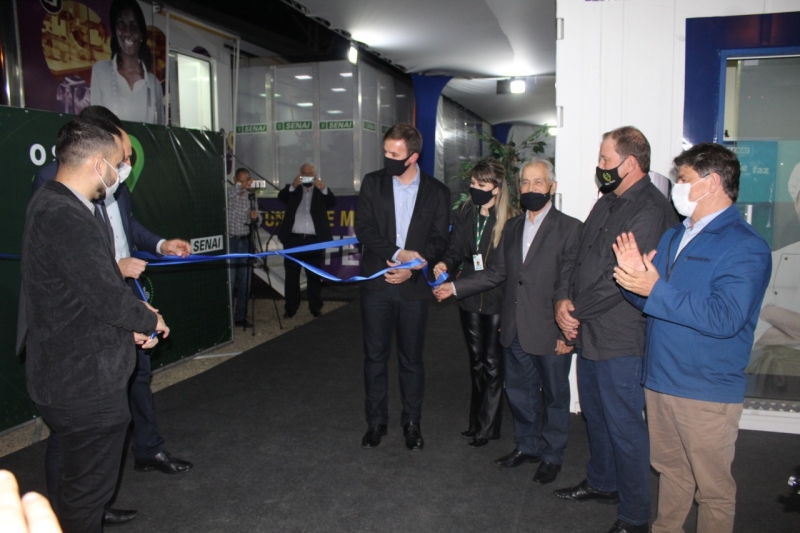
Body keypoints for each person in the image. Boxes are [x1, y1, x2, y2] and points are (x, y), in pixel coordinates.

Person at [32, 106, 193, 526]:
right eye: (120, 162)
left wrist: (132, 320)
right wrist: (147, 321)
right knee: (84, 496)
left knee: (84, 488)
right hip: (81, 379)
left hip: (86, 364)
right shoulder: (63, 212)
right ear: (98, 163)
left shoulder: (67, 205)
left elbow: (85, 294)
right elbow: (99, 291)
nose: (124, 171)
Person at [613, 143, 771, 533]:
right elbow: (653, 301)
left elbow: (726, 317)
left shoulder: (746, 245)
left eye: (683, 179)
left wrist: (654, 289)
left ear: (712, 182)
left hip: (706, 390)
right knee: (671, 472)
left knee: (712, 490)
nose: (676, 188)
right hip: (661, 380)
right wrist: (632, 280)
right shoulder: (674, 235)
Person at [552, 126, 677, 533]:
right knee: (596, 416)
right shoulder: (607, 201)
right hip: (588, 330)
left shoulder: (651, 208)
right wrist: (562, 300)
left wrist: (576, 312)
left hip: (620, 336)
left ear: (630, 163)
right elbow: (577, 254)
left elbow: (622, 277)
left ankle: (635, 515)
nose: (600, 166)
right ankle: (603, 482)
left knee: (624, 426)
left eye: (606, 160)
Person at [435, 159, 581, 485]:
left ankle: (552, 456)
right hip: (514, 328)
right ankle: (527, 446)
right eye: (525, 183)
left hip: (551, 330)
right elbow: (497, 273)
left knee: (555, 397)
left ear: (552, 187)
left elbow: (571, 282)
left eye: (538, 182)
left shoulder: (570, 228)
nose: (530, 188)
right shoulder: (513, 227)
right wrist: (455, 287)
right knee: (520, 392)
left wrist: (568, 332)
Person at [354, 123, 450, 451]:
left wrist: (413, 267)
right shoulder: (373, 183)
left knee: (411, 359)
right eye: (385, 152)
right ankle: (375, 422)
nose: (388, 159)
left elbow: (439, 239)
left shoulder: (437, 192)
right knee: (375, 357)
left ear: (413, 157)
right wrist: (397, 254)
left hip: (413, 289)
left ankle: (412, 422)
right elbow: (364, 229)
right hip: (377, 285)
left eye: (395, 154)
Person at [430, 158, 517, 448]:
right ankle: (475, 422)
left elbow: (498, 272)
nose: (474, 188)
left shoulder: (511, 220)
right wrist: (444, 263)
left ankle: (488, 427)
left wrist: (454, 287)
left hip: (496, 299)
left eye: (481, 184)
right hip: (468, 297)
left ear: (497, 188)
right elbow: (456, 249)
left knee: (492, 363)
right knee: (476, 362)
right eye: (472, 183)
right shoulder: (466, 212)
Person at [277, 163, 337, 318]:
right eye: (305, 173)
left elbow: (332, 201)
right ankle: (291, 308)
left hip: (313, 240)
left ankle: (315, 307)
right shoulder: (293, 190)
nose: (307, 176)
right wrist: (293, 185)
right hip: (293, 239)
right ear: (300, 174)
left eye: (310, 174)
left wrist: (323, 188)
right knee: (291, 276)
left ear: (315, 176)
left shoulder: (320, 191)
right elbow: (281, 197)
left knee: (313, 275)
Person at [90, 0, 164, 124]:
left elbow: (159, 131)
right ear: (115, 30)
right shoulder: (100, 72)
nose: (127, 32)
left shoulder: (154, 84)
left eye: (133, 27)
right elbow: (95, 125)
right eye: (121, 24)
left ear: (141, 34)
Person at [227, 168, 260, 327]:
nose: (245, 184)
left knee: (245, 282)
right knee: (230, 281)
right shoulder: (229, 193)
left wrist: (255, 218)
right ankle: (226, 319)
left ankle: (240, 316)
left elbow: (258, 221)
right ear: (235, 180)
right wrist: (241, 187)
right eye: (241, 181)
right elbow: (228, 194)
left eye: (247, 181)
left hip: (245, 242)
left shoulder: (251, 197)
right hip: (231, 242)